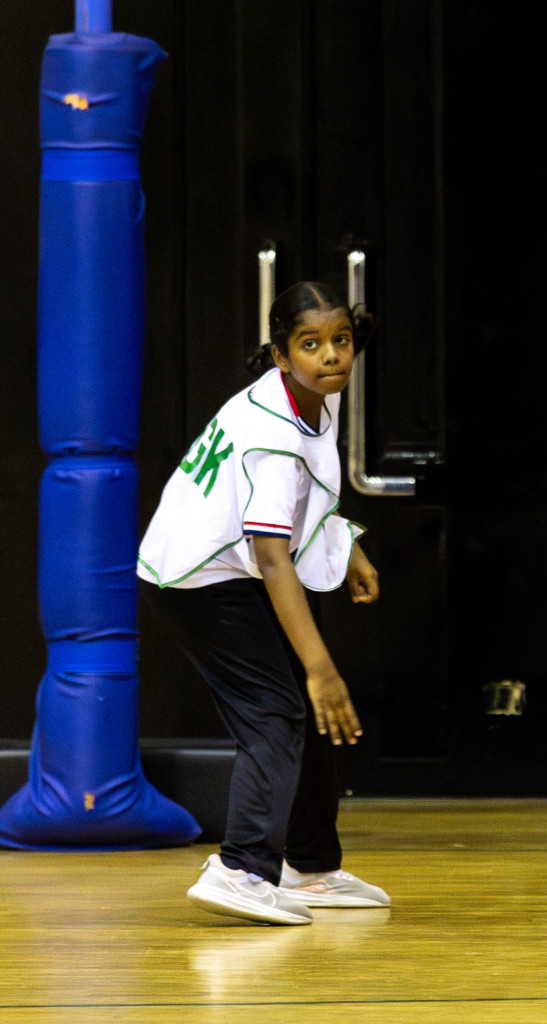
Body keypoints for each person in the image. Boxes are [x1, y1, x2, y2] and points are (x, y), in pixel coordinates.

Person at [138, 281, 391, 925]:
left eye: (341, 340)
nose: (330, 355)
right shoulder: (272, 435)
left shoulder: (310, 391)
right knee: (279, 709)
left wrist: (347, 542)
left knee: (312, 711)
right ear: (281, 356)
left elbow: (303, 502)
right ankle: (241, 870)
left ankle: (310, 867)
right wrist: (320, 667)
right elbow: (273, 556)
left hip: (232, 565)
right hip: (196, 579)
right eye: (311, 344)